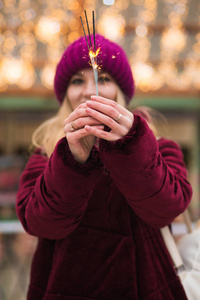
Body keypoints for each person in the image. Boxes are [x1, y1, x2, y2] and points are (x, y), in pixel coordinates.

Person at [16, 34, 192, 300]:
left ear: (120, 93)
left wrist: (131, 145)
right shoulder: (45, 155)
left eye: (103, 79)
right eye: (77, 81)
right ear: (66, 96)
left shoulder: (158, 146)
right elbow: (41, 225)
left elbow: (167, 209)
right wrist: (72, 160)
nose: (89, 90)